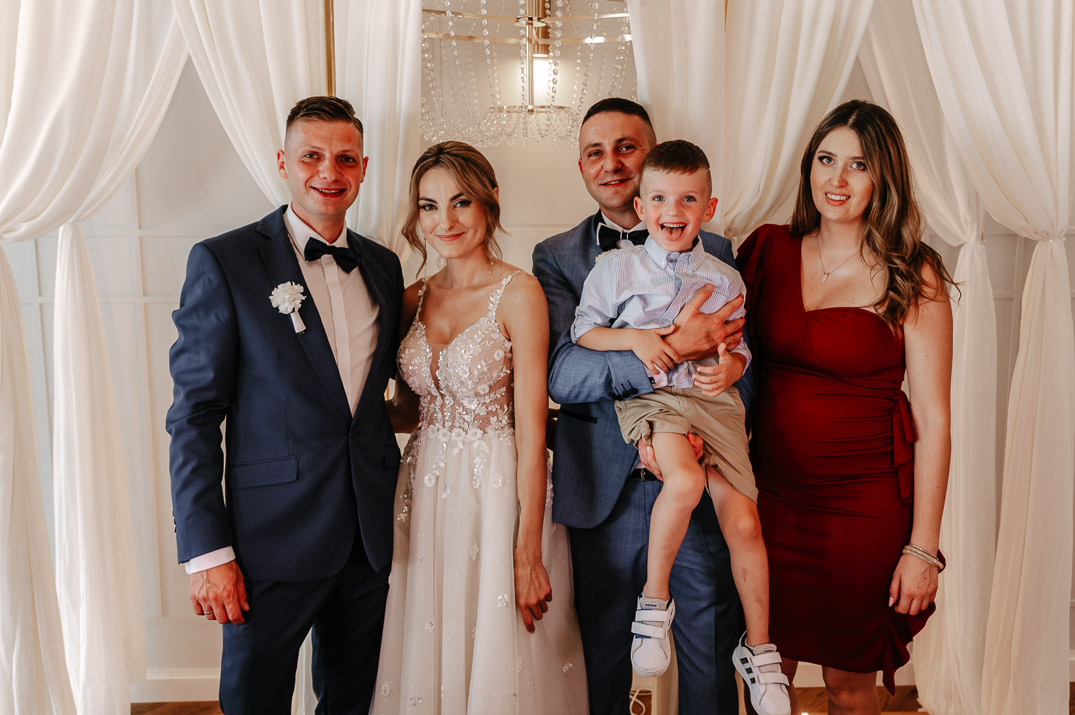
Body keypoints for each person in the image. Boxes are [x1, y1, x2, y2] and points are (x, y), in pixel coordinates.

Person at [710, 99, 954, 715]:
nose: (837, 179)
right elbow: (718, 356)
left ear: (883, 177)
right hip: (767, 499)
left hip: (863, 511)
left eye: (858, 165)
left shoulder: (913, 272)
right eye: (826, 159)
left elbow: (933, 419)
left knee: (849, 687)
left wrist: (922, 548)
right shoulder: (766, 249)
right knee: (766, 681)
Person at [166, 96, 404, 714]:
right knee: (254, 703)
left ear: (363, 168)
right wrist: (208, 553)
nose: (329, 171)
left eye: (345, 159)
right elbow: (194, 417)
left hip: (368, 539)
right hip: (267, 543)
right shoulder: (224, 261)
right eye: (311, 156)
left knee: (353, 703)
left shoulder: (383, 266)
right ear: (282, 163)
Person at [533, 98, 751, 714]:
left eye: (626, 147)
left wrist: (711, 418)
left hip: (700, 476)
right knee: (604, 666)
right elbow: (563, 373)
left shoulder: (717, 252)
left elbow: (743, 358)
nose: (611, 163)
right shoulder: (557, 256)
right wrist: (669, 349)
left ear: (652, 154)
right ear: (581, 167)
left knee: (709, 656)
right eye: (595, 152)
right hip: (606, 489)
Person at [571, 139, 790, 715]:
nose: (674, 211)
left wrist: (733, 367)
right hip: (658, 398)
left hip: (716, 406)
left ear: (708, 207)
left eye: (688, 199)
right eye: (661, 199)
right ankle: (653, 604)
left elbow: (740, 347)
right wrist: (640, 340)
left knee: (745, 520)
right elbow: (583, 333)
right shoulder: (614, 269)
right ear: (641, 207)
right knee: (686, 481)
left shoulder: (726, 276)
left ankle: (760, 652)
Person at [370, 141, 588, 714]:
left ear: (490, 200)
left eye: (460, 202)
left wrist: (528, 550)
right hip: (424, 491)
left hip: (497, 491)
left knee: (499, 642)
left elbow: (532, 432)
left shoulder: (519, 294)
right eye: (429, 206)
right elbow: (408, 410)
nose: (445, 221)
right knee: (427, 635)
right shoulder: (412, 298)